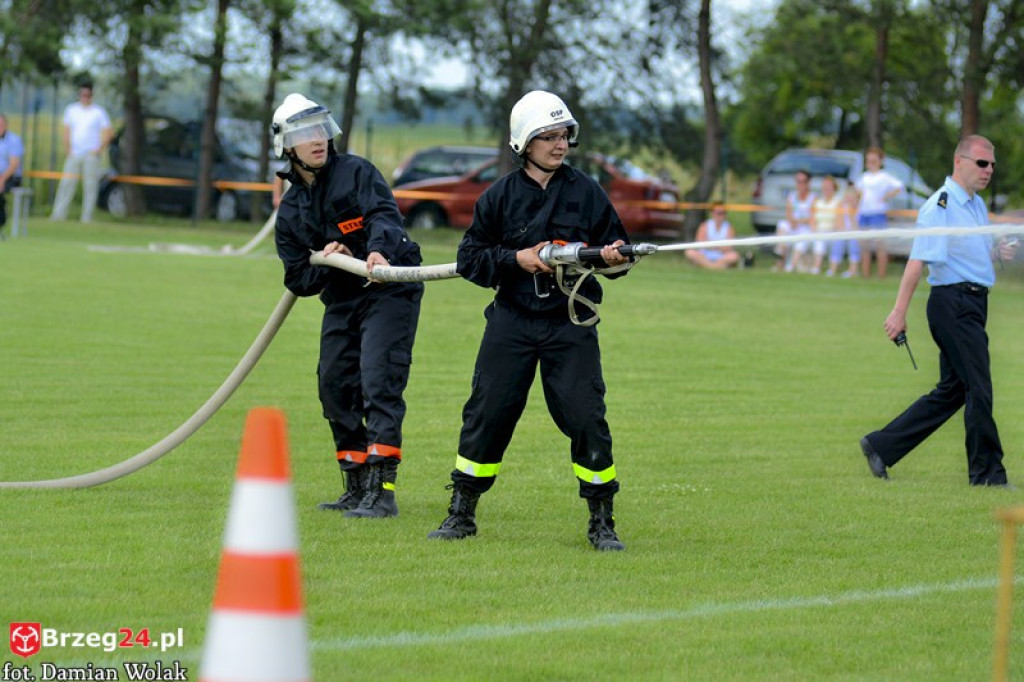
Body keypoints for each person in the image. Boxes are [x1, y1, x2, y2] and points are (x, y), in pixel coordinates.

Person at [427, 90, 631, 551]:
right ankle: (461, 512)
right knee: (487, 412)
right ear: (525, 142)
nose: (559, 145)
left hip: (570, 323)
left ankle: (602, 521)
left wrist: (617, 257)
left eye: (564, 136)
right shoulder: (497, 196)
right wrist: (517, 259)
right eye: (548, 137)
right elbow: (470, 260)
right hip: (511, 323)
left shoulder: (588, 192)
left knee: (585, 416)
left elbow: (615, 256)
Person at [272, 93, 424, 518]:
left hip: (390, 286)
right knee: (334, 385)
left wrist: (376, 252)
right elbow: (298, 278)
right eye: (304, 133)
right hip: (342, 293)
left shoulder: (357, 172)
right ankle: (355, 484)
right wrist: (328, 259)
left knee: (379, 378)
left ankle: (382, 489)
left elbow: (383, 215)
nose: (316, 140)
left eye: (320, 128)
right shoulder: (291, 211)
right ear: (287, 146)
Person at [859, 135, 1017, 486]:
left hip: (973, 303)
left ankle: (881, 446)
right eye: (981, 163)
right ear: (959, 161)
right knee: (979, 387)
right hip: (954, 306)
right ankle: (988, 474)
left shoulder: (974, 204)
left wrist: (996, 255)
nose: (988, 170)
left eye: (992, 164)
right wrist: (899, 312)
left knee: (954, 391)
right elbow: (918, 262)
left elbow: (967, 254)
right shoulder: (940, 206)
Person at [49, 82, 113, 223]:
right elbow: (66, 131)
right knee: (66, 184)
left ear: (91, 96)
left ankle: (87, 217)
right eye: (83, 94)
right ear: (79, 95)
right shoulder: (71, 110)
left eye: (88, 95)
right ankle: (58, 214)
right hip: (74, 154)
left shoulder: (99, 112)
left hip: (91, 155)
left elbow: (108, 133)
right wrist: (68, 149)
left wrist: (98, 149)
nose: (85, 97)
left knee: (90, 186)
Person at [856, 147, 904, 279]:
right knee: (864, 246)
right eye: (869, 161)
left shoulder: (884, 176)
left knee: (880, 246)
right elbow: (858, 191)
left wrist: (886, 196)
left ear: (880, 161)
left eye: (873, 160)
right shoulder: (864, 177)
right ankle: (865, 274)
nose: (871, 163)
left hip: (877, 213)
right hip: (864, 213)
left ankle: (881, 275)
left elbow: (899, 186)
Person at [772, 170, 815, 272]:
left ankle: (791, 266)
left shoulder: (813, 198)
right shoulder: (792, 196)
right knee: (782, 225)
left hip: (805, 227)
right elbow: (788, 213)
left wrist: (798, 222)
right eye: (797, 181)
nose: (799, 184)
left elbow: (812, 217)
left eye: (802, 181)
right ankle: (780, 254)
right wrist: (793, 222)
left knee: (802, 238)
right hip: (793, 225)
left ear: (808, 182)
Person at [805, 175, 843, 275]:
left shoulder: (838, 202)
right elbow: (812, 219)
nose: (826, 189)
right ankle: (814, 267)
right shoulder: (817, 202)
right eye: (824, 186)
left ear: (834, 188)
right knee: (818, 240)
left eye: (828, 186)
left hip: (832, 232)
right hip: (818, 231)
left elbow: (839, 223)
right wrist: (815, 230)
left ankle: (819, 268)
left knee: (821, 241)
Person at [686, 202, 741, 269]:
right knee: (690, 252)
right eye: (718, 213)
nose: (720, 215)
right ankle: (714, 266)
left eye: (722, 213)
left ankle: (709, 266)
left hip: (722, 256)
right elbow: (699, 242)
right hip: (705, 255)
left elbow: (729, 247)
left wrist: (712, 246)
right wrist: (718, 246)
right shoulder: (705, 225)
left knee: (734, 256)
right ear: (712, 213)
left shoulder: (729, 227)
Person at [827, 186, 861, 278]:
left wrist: (851, 213)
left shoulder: (859, 209)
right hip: (843, 232)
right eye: (847, 197)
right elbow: (839, 222)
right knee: (838, 242)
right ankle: (832, 269)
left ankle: (853, 270)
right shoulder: (841, 206)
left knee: (854, 243)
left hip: (855, 233)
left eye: (851, 198)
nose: (849, 200)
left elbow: (856, 226)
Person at [0, 114, 24, 236]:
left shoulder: (14, 140)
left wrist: (2, 179)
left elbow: (14, 164)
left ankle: (1, 222)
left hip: (11, 177)